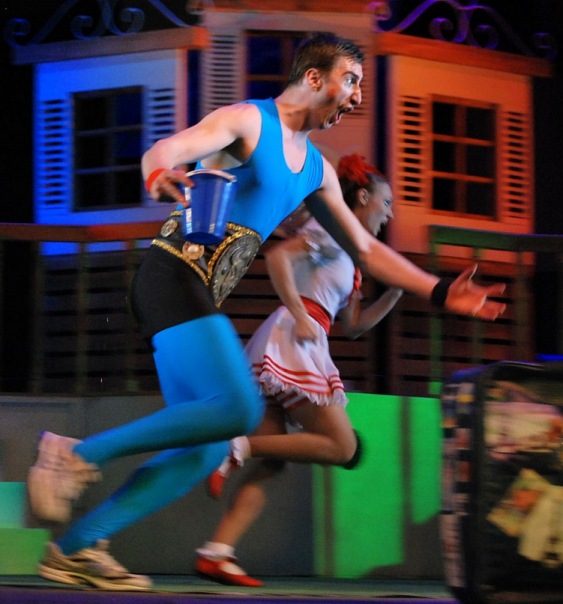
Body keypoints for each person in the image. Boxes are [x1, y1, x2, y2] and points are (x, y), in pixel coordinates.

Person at [27, 31, 505, 591]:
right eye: (350, 81)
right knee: (238, 406)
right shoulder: (250, 121)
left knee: (206, 448)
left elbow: (366, 250)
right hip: (172, 274)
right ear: (313, 78)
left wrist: (440, 290)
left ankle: (75, 549)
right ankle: (75, 455)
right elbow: (168, 149)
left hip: (197, 292)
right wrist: (159, 172)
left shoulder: (317, 171)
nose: (356, 96)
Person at [194, 154, 403, 587]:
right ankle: (237, 447)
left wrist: (396, 292)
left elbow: (354, 325)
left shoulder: (350, 257)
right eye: (385, 203)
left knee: (274, 462)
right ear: (363, 198)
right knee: (342, 446)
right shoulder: (330, 232)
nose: (389, 215)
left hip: (295, 339)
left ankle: (217, 551)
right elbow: (278, 258)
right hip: (295, 339)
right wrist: (300, 313)